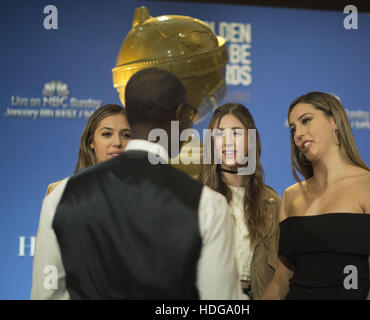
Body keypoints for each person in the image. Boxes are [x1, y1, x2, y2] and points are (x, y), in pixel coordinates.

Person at [31, 68, 245, 300]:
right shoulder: (207, 204)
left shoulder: (61, 196)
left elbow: (46, 294)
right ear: (179, 115)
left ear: (131, 116)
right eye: (190, 115)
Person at [261, 92, 370, 300]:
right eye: (293, 128)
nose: (298, 133)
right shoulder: (291, 196)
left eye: (306, 120)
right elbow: (280, 282)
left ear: (334, 121)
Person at [198, 103, 280, 299]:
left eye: (236, 133)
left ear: (251, 141)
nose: (227, 142)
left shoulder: (272, 202)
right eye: (219, 134)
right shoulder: (195, 196)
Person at [44, 104, 131, 196]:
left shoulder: (145, 191)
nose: (117, 142)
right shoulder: (60, 192)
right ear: (91, 141)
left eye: (126, 135)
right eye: (107, 134)